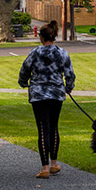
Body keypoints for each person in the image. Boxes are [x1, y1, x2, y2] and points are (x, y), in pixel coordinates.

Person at [18, 20, 76, 178]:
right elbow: (69, 74)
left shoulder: (35, 52)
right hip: (56, 93)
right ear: (54, 36)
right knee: (54, 127)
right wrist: (68, 87)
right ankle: (54, 164)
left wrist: (24, 83)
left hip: (38, 94)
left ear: (41, 37)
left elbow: (24, 70)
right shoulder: (62, 53)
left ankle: (44, 168)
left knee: (43, 128)